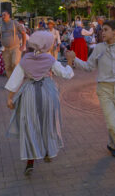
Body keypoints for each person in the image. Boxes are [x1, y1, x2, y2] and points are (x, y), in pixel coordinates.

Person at [66, 20, 115, 172]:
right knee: (112, 124)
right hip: (103, 89)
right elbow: (89, 67)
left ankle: (111, 145)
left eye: (106, 29)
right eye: (102, 30)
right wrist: (74, 59)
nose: (102, 32)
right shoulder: (98, 48)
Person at [5, 31, 74, 175]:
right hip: (48, 93)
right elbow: (66, 74)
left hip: (29, 92)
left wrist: (10, 98)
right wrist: (69, 62)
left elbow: (15, 80)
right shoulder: (50, 59)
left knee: (30, 125)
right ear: (46, 45)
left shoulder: (25, 60)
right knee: (48, 122)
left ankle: (30, 160)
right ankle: (48, 151)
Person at [0, 10, 28, 78]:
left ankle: (17, 79)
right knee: (7, 66)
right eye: (2, 15)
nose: (3, 17)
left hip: (15, 47)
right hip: (5, 49)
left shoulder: (15, 23)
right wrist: (1, 41)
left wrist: (23, 45)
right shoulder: (0, 25)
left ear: (8, 15)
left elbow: (23, 33)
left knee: (15, 63)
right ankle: (11, 81)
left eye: (4, 15)